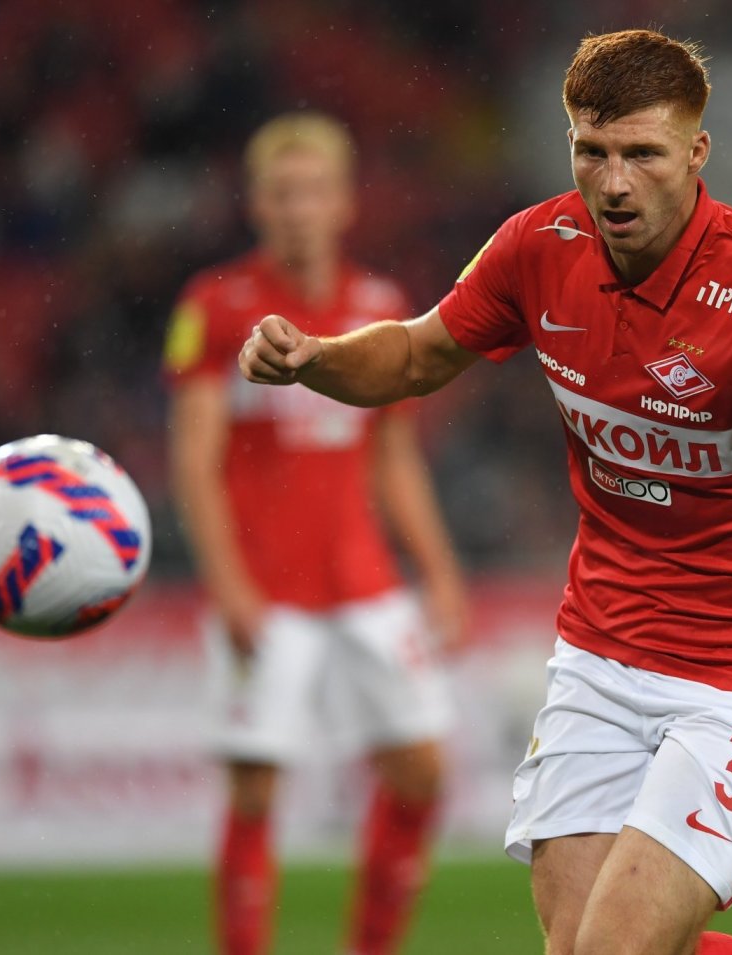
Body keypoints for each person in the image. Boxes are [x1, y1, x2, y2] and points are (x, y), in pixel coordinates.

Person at [239, 30, 732, 955]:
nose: (614, 183)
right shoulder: (538, 246)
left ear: (697, 152)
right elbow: (417, 354)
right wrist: (315, 358)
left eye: (643, 154)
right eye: (592, 151)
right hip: (598, 655)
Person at [164, 112, 468, 955]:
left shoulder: (378, 310)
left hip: (362, 580)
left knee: (422, 773)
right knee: (256, 790)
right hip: (265, 587)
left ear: (345, 203)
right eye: (283, 193)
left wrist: (439, 569)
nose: (299, 209)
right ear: (256, 204)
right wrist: (227, 583)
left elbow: (394, 457)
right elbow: (194, 460)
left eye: (314, 192)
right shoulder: (215, 306)